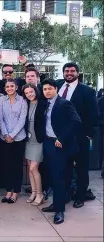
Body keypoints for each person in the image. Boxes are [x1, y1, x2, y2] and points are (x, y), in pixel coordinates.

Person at [57, 62, 99, 208]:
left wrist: (89, 135)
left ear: (77, 73)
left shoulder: (87, 91)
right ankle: (67, 193)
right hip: (61, 136)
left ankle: (80, 196)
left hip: (80, 137)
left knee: (81, 168)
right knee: (65, 167)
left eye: (72, 71)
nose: (69, 73)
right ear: (63, 73)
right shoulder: (57, 86)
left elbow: (94, 115)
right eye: (66, 71)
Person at [41, 79, 81, 225]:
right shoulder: (46, 103)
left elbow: (76, 121)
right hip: (48, 143)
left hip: (60, 145)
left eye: (50, 89)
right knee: (52, 176)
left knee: (59, 179)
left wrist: (62, 138)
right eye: (45, 89)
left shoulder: (64, 103)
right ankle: (56, 204)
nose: (47, 91)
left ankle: (59, 211)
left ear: (56, 89)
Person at [0, 79, 27, 204]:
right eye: (7, 86)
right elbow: (0, 118)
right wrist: (6, 134)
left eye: (12, 86)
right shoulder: (1, 100)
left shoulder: (23, 100)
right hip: (5, 138)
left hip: (18, 138)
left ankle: (15, 192)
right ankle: (8, 191)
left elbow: (22, 119)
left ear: (16, 87)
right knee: (7, 165)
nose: (9, 88)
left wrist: (12, 135)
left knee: (17, 166)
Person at [22, 83, 47, 205]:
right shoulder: (25, 104)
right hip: (28, 140)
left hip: (38, 140)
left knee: (34, 168)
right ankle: (33, 192)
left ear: (35, 91)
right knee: (29, 170)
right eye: (26, 93)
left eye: (31, 92)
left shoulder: (43, 104)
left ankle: (40, 194)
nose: (29, 94)